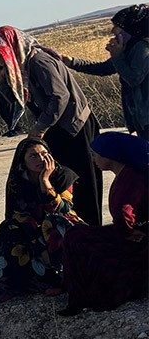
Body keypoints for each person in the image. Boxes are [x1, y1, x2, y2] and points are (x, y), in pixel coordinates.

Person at [0, 26, 104, 226]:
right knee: (59, 179)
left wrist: (40, 127)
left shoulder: (39, 62)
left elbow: (60, 97)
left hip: (75, 128)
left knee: (83, 181)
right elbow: (15, 99)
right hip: (56, 128)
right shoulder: (20, 68)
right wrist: (0, 79)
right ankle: (68, 227)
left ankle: (91, 230)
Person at [59, 132, 149, 315]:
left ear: (110, 155)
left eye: (95, 154)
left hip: (138, 241)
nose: (93, 159)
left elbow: (124, 212)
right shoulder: (128, 174)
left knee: (77, 238)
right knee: (75, 235)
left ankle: (91, 295)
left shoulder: (130, 178)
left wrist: (127, 232)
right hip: (135, 233)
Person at [0, 137, 85, 302]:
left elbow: (62, 209)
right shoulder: (18, 182)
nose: (41, 159)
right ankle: (11, 285)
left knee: (53, 222)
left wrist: (45, 182)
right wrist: (38, 246)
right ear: (23, 162)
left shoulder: (63, 175)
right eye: (33, 156)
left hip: (61, 227)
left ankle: (64, 280)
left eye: (44, 154)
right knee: (8, 227)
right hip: (31, 229)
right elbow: (18, 215)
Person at [46, 4, 149, 138]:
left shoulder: (142, 48)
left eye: (118, 27)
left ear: (130, 29)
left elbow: (134, 78)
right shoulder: (129, 49)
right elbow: (103, 68)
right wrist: (71, 61)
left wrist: (117, 56)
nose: (113, 31)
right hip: (142, 120)